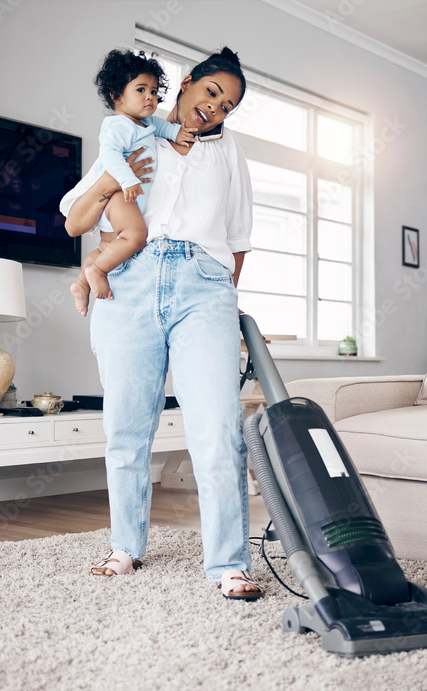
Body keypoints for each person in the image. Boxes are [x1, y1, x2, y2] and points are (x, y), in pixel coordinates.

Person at [60, 47, 262, 600]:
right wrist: (112, 183)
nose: (216, 109)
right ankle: (126, 546)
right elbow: (76, 219)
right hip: (129, 283)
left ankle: (228, 564)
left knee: (217, 428)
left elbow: (238, 240)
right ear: (189, 83)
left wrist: (225, 300)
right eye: (212, 93)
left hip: (204, 286)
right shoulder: (130, 134)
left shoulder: (228, 152)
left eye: (228, 106)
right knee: (126, 427)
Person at [70, 49, 197, 317]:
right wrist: (127, 181)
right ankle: (98, 271)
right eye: (141, 89)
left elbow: (162, 128)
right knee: (136, 237)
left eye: (153, 91)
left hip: (129, 199)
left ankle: (81, 284)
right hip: (120, 196)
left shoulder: (145, 122)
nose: (150, 97)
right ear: (117, 95)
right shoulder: (117, 125)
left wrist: (178, 133)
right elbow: (110, 155)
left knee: (108, 247)